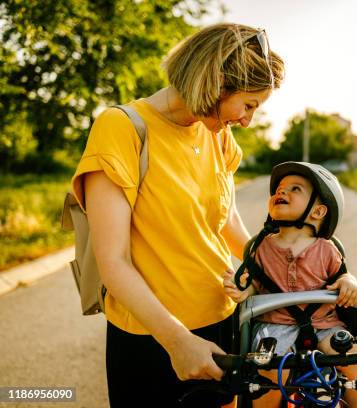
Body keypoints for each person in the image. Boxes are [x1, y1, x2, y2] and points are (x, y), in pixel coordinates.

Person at [71, 23, 283, 407]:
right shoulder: (122, 128)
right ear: (218, 82)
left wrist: (280, 269)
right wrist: (178, 341)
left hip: (224, 320)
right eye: (248, 105)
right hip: (153, 338)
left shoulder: (216, 133)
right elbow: (112, 262)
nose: (249, 120)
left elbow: (226, 220)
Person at [223, 162, 357, 407]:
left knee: (353, 360)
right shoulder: (261, 247)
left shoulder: (327, 249)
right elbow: (256, 285)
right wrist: (243, 290)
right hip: (274, 325)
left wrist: (349, 281)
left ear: (318, 212)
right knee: (266, 368)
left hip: (324, 324)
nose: (281, 192)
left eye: (295, 189)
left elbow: (342, 276)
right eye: (279, 189)